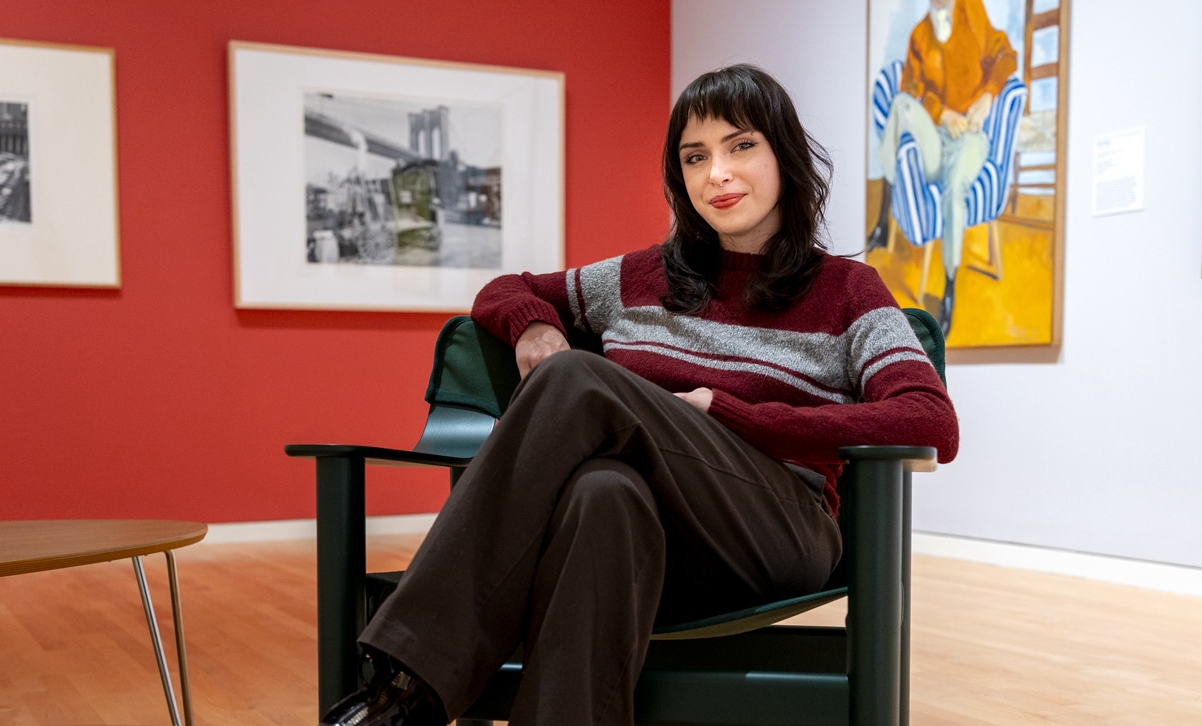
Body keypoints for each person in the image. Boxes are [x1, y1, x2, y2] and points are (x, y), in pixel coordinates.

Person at [319, 64, 959, 726]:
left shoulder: (849, 290)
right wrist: (535, 324)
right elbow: (507, 289)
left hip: (778, 532)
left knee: (574, 379)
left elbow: (930, 421)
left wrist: (733, 415)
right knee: (603, 496)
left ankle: (412, 682)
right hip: (655, 539)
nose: (717, 173)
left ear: (784, 156)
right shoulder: (638, 277)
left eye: (741, 145)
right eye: (695, 157)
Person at [868, 0, 1017, 336]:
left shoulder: (973, 13)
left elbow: (1007, 56)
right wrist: (941, 113)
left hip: (970, 138)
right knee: (900, 105)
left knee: (955, 189)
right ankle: (883, 218)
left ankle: (950, 284)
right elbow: (910, 89)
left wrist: (988, 95)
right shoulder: (921, 34)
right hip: (937, 137)